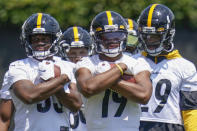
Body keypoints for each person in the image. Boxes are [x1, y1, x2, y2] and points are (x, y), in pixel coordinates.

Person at [0, 13, 82, 131]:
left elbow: (75, 104)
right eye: (35, 39)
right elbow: (29, 96)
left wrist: (52, 81)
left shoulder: (68, 66)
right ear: (27, 40)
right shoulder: (18, 67)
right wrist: (60, 80)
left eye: (45, 39)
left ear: (55, 39)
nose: (40, 43)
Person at [75, 11, 152, 131]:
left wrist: (105, 79)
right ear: (95, 38)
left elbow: (144, 95)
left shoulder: (137, 63)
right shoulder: (86, 63)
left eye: (117, 35)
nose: (112, 41)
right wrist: (120, 69)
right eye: (106, 36)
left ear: (125, 36)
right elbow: (87, 88)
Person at [136, 4, 197, 131]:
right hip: (135, 125)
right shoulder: (132, 61)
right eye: (146, 36)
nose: (149, 41)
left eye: (155, 36)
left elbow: (190, 110)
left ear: (169, 34)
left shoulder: (185, 67)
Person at [58, 26, 93, 131]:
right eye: (73, 53)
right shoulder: (59, 70)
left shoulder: (96, 70)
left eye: (82, 52)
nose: (78, 57)